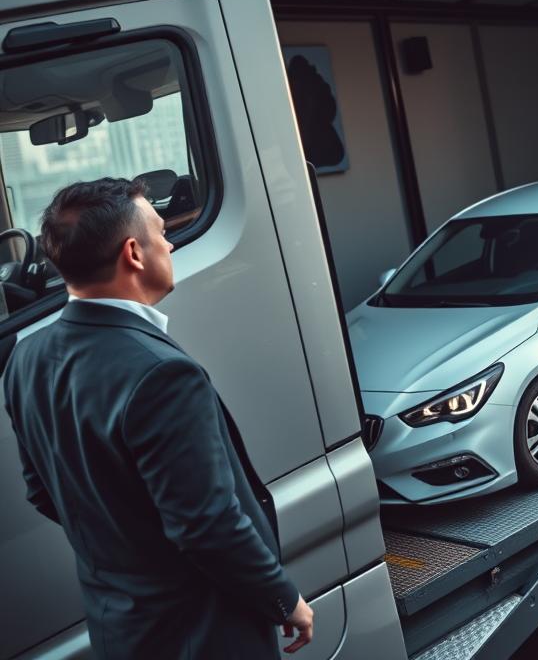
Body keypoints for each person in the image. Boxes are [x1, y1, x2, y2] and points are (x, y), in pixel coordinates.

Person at [2, 178, 313, 659]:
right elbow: (208, 525)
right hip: (204, 633)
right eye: (162, 231)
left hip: (120, 629)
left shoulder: (27, 359)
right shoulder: (163, 374)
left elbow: (42, 491)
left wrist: (125, 547)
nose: (169, 242)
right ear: (133, 252)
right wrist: (284, 598)